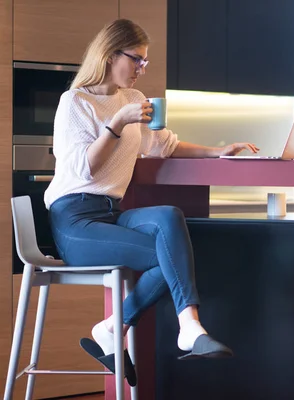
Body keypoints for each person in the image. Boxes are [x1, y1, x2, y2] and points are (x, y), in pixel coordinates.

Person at [44, 18, 258, 361]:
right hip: (74, 222)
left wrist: (217, 150)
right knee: (167, 255)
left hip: (110, 214)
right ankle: (180, 328)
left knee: (169, 218)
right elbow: (87, 168)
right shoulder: (75, 103)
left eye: (146, 61)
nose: (141, 69)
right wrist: (117, 123)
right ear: (110, 55)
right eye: (136, 59)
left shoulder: (133, 98)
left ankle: (130, 327)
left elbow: (164, 145)